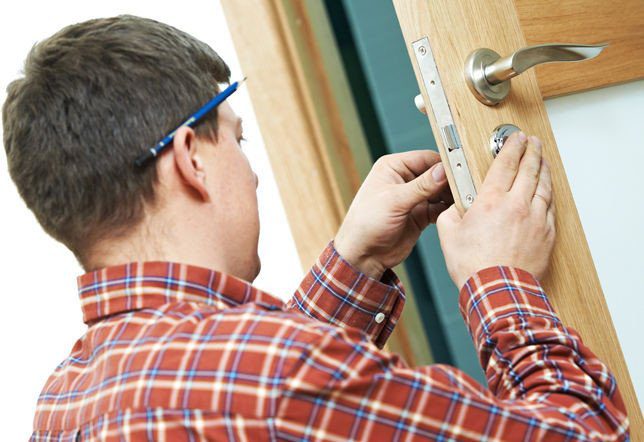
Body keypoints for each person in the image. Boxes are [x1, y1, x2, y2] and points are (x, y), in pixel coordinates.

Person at [2, 15, 628, 441]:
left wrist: (355, 263)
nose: (251, 175)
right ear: (191, 158)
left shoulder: (65, 401)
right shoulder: (282, 374)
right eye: (238, 141)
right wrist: (502, 279)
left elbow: (241, 389)